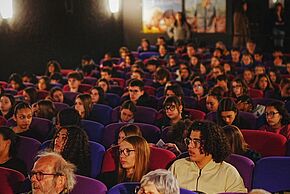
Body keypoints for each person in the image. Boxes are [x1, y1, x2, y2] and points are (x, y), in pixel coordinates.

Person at [169, 120, 247, 193]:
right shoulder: (177, 166)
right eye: (189, 141)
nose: (190, 146)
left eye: (196, 142)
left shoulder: (229, 173)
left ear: (210, 144)